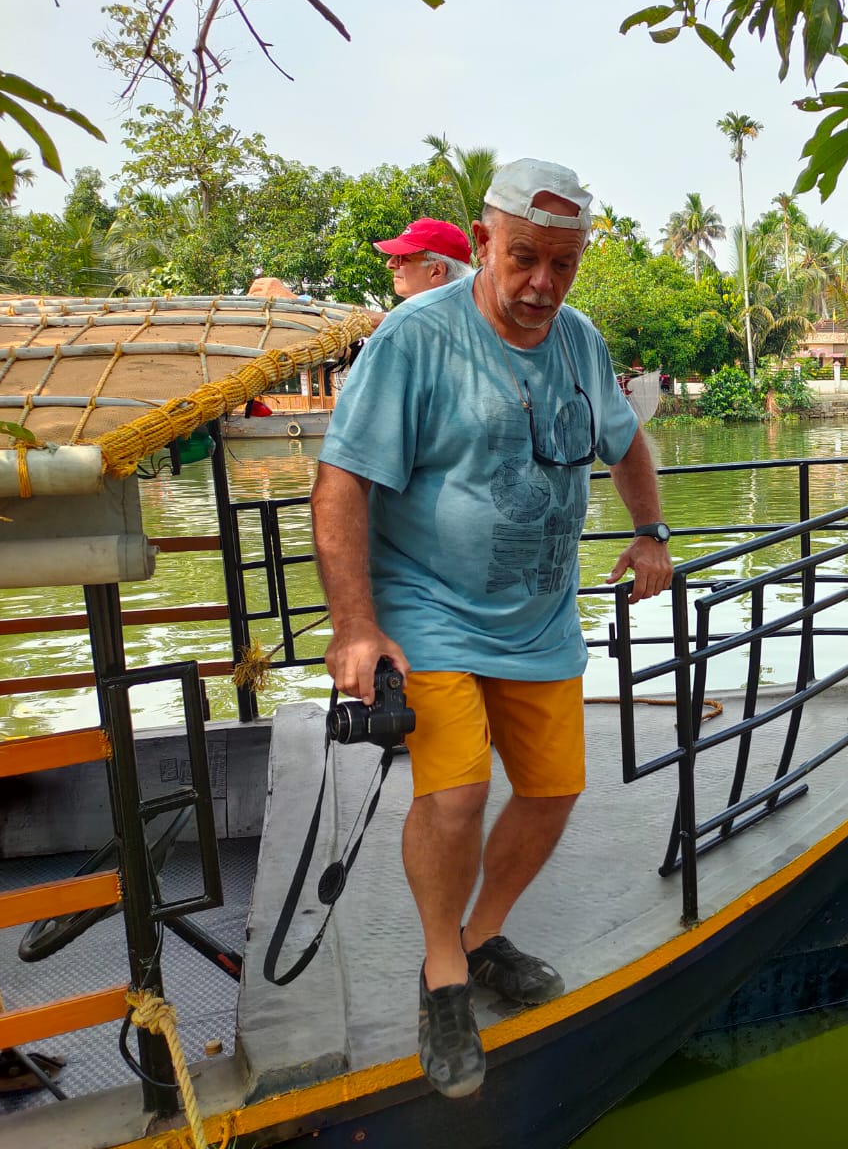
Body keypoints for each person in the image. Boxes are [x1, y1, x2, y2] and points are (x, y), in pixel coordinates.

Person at [310, 159, 673, 1100]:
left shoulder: (580, 342)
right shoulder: (414, 338)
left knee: (552, 789)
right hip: (426, 608)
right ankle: (441, 976)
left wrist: (649, 535)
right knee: (459, 792)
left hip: (539, 614)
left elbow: (627, 443)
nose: (541, 284)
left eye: (562, 264)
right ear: (483, 244)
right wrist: (355, 627)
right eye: (523, 259)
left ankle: (482, 937)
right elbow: (342, 481)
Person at [247, 217, 474, 328]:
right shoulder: (453, 311)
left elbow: (373, 321)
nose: (391, 264)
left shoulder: (444, 316)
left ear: (436, 270)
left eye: (403, 257)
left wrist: (295, 302)